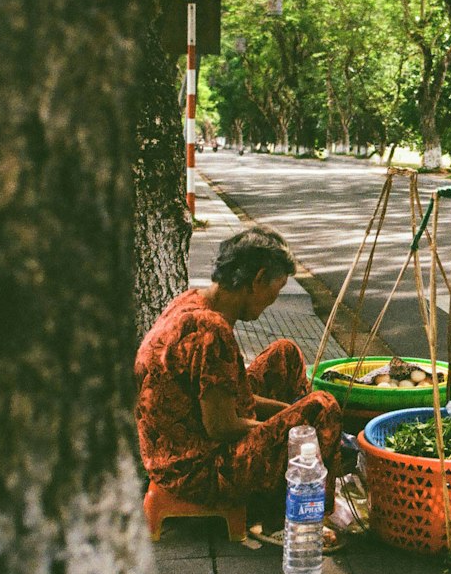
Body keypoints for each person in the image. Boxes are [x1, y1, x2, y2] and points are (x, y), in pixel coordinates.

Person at [134, 223, 342, 532]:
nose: (274, 300)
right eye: (277, 287)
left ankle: (298, 473)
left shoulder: (192, 301)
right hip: (193, 470)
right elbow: (221, 426)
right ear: (258, 280)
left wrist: (287, 418)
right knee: (323, 407)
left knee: (285, 354)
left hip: (173, 449)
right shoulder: (211, 330)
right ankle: (312, 515)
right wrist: (291, 430)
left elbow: (221, 395)